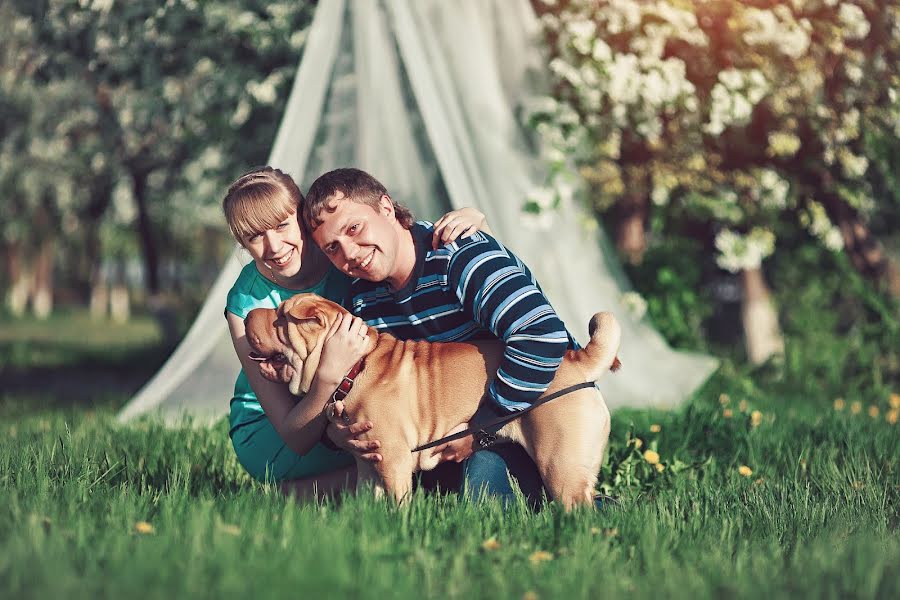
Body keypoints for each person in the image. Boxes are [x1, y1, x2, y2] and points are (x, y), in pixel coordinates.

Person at [303, 168, 577, 506]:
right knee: (426, 488)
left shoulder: (460, 255)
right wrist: (339, 433)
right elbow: (365, 385)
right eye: (333, 248)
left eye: (354, 228)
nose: (350, 253)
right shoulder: (364, 296)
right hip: (446, 435)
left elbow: (542, 337)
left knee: (485, 495)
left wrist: (480, 432)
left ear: (386, 209)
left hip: (535, 408)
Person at [223, 166, 490, 498]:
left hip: (359, 403)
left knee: (408, 444)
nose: (274, 246)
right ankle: (295, 493)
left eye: (281, 225)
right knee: (395, 453)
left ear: (305, 221)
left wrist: (474, 221)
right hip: (280, 430)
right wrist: (329, 388)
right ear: (242, 243)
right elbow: (295, 436)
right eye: (254, 236)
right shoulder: (245, 303)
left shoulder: (345, 255)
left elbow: (394, 234)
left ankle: (392, 479)